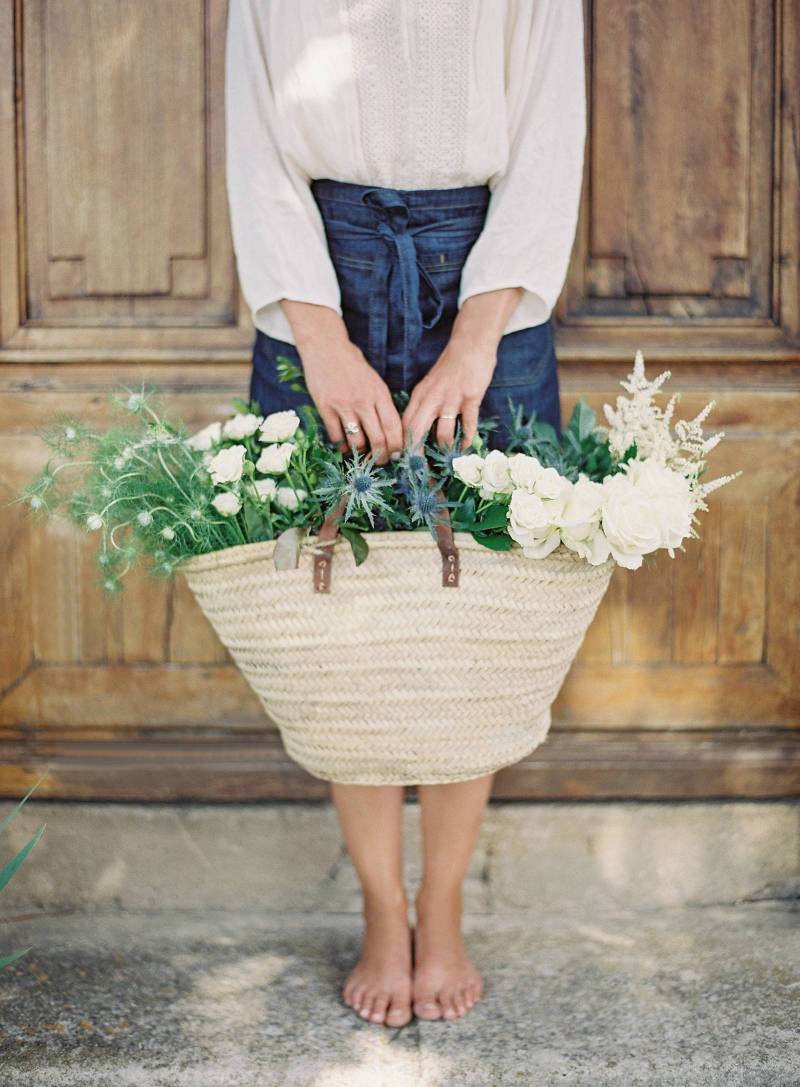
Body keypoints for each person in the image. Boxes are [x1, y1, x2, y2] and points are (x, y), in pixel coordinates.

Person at [224, 0, 586, 1028]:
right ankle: (384, 910)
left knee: (480, 617)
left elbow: (548, 140)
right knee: (339, 624)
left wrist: (476, 341)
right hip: (316, 274)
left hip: (488, 282)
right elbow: (257, 142)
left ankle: (443, 900)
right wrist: (319, 339)